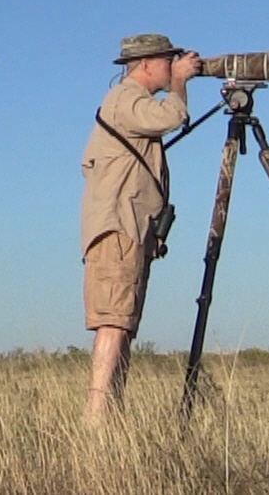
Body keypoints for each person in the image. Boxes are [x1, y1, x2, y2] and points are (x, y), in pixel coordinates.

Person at [79, 33, 199, 419]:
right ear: (146, 63)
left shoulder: (127, 101)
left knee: (122, 322)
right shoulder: (127, 99)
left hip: (128, 230)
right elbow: (169, 118)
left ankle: (110, 414)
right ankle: (97, 417)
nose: (172, 67)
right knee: (113, 322)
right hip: (119, 230)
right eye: (168, 61)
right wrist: (181, 83)